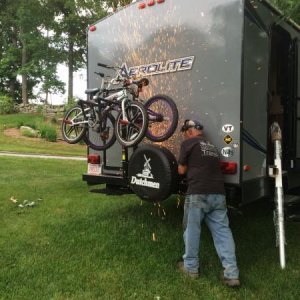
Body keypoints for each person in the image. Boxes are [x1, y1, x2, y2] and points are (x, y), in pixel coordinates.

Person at [177, 119, 240, 287]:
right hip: (218, 194)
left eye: (185, 132)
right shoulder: (211, 146)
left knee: (192, 230)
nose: (184, 135)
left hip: (198, 193)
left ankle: (190, 268)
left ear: (189, 132)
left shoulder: (188, 143)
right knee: (223, 232)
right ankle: (231, 273)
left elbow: (181, 170)